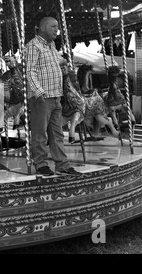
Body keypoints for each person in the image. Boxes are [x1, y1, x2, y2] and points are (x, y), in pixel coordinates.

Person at [25, 16, 80, 176]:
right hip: (41, 97)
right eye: (53, 27)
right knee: (40, 133)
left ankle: (62, 164)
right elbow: (30, 70)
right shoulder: (33, 46)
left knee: (57, 133)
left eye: (57, 27)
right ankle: (40, 163)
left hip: (56, 95)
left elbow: (57, 61)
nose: (57, 30)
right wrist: (38, 91)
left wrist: (64, 63)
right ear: (42, 28)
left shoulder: (52, 45)